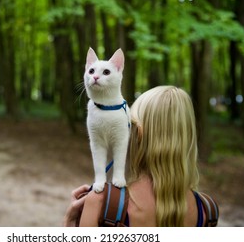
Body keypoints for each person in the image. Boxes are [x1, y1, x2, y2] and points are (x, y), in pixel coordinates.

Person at [64, 85, 217, 227]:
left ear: (138, 134)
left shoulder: (102, 203)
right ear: (188, 137)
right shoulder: (207, 211)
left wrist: (69, 223)